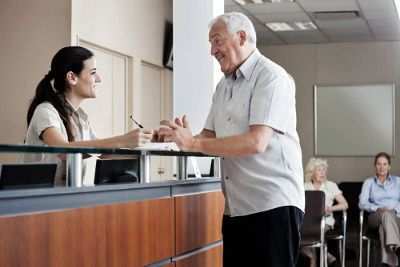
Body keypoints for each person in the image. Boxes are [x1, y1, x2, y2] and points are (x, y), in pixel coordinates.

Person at [158, 12, 304, 267]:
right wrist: (177, 138)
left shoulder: (271, 77)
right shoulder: (223, 87)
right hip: (237, 208)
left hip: (273, 205)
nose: (212, 50)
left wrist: (194, 143)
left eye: (217, 41)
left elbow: (256, 142)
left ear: (242, 37)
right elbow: (208, 138)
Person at [24, 46, 153, 185]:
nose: (99, 79)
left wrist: (147, 143)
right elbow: (62, 149)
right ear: (72, 77)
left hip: (66, 198)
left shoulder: (81, 117)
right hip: (38, 200)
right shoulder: (45, 111)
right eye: (93, 73)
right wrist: (123, 140)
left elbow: (102, 152)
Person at [303, 157, 348, 267]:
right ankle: (327, 256)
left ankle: (314, 261)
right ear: (312, 172)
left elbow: (345, 204)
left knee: (314, 235)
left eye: (324, 170)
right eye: (319, 170)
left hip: (325, 221)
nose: (322, 172)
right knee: (296, 235)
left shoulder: (331, 185)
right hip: (307, 222)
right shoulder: (304, 186)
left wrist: (330, 208)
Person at [359, 152, 400, 267]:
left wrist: (395, 210)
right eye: (379, 164)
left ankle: (389, 261)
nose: (382, 167)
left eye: (385, 164)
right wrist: (377, 208)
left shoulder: (398, 182)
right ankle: (397, 246)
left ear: (389, 166)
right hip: (376, 216)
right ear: (375, 166)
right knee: (385, 215)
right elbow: (362, 203)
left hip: (396, 216)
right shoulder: (369, 182)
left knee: (384, 227)